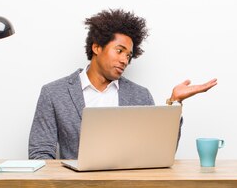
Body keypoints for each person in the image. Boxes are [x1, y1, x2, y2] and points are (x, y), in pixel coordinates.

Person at [28, 9, 217, 159]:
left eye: (128, 55)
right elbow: (40, 154)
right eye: (119, 51)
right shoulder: (53, 93)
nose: (124, 60)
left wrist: (174, 102)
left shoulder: (140, 95)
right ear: (96, 47)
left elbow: (158, 153)